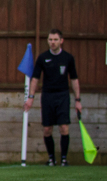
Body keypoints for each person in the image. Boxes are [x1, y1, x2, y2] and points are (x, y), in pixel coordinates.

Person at [22, 29, 83, 166]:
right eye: (50, 40)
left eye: (55, 40)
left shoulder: (68, 58)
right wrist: (30, 97)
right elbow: (35, 79)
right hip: (47, 96)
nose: (52, 42)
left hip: (63, 95)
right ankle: (51, 159)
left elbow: (74, 79)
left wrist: (78, 100)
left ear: (61, 41)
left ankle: (63, 159)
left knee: (63, 128)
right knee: (47, 129)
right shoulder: (43, 58)